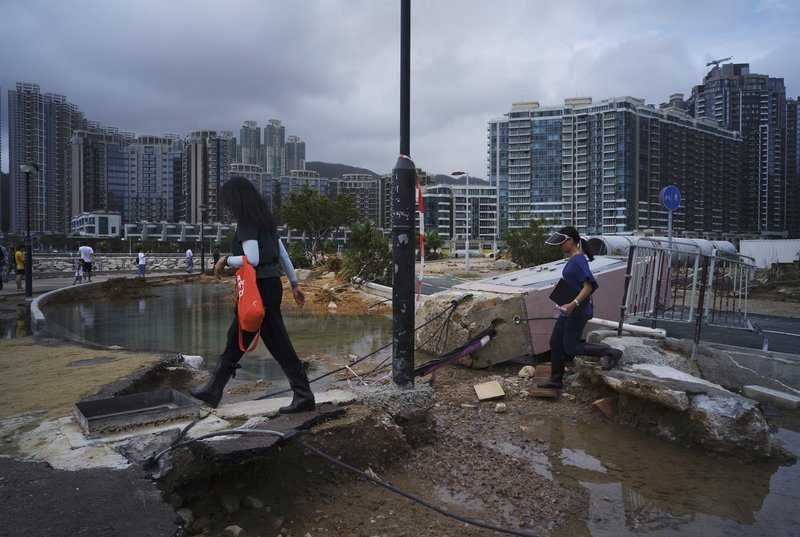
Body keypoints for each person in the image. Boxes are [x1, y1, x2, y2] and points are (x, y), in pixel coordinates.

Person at [189, 176, 314, 413]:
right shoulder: (266, 222)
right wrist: (295, 285)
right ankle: (213, 389)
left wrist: (225, 261)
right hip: (271, 284)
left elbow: (252, 259)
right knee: (237, 336)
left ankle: (304, 395)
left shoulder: (246, 223)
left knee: (272, 340)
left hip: (258, 287)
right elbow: (284, 256)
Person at [537, 226, 623, 389]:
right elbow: (578, 284)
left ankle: (609, 352)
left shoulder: (578, 260)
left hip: (576, 311)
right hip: (568, 310)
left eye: (561, 243)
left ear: (570, 241)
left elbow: (589, 286)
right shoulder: (574, 259)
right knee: (555, 343)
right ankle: (556, 379)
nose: (559, 247)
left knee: (571, 347)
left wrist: (573, 304)